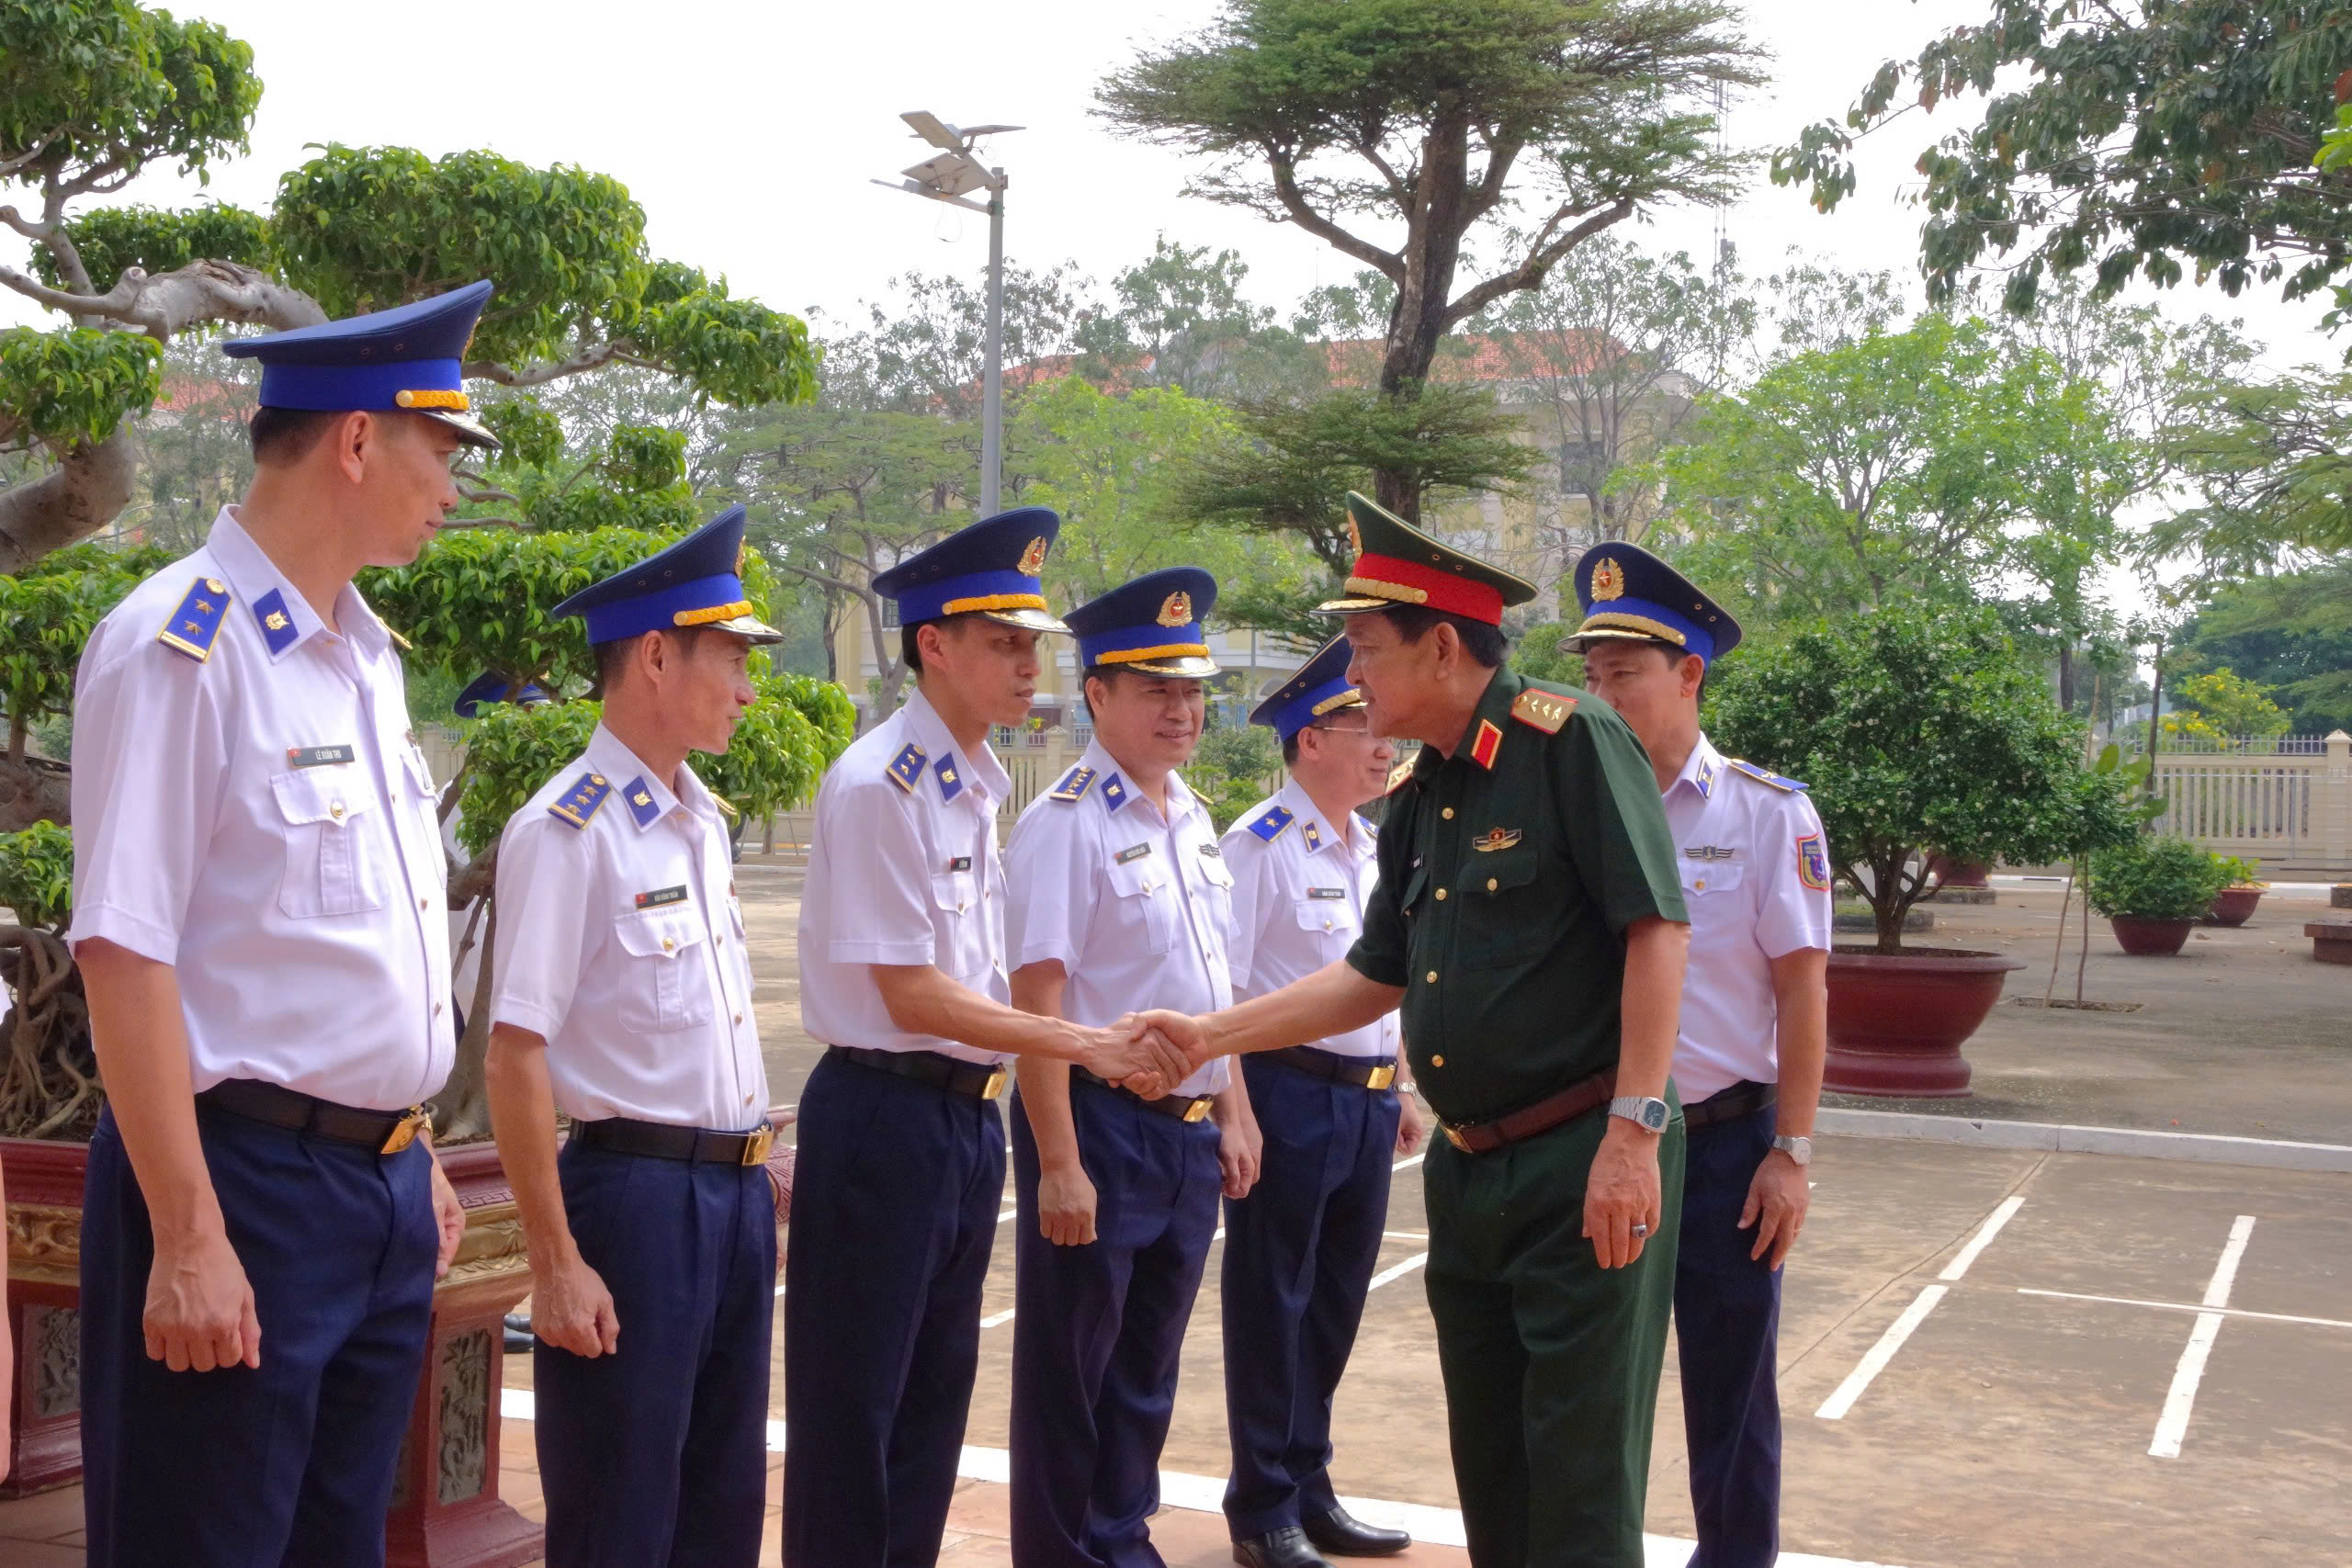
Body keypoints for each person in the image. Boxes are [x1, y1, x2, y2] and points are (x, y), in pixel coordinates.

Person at [1136, 492, 1693, 1568]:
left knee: (1577, 1482)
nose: (1352, 679)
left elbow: (1657, 931)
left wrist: (1633, 1132)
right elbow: (1369, 975)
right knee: (1493, 1469)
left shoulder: (1571, 743)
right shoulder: (1425, 791)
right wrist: (1210, 1031)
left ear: (1443, 647)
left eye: (1366, 652)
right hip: (1469, 1166)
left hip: (1581, 1159)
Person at [65, 282, 493, 1566]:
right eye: (443, 447)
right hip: (235, 1182)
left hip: (372, 1192)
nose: (456, 484)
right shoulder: (177, 647)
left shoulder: (365, 658)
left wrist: (404, 1140)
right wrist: (188, 1229)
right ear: (358, 440)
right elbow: (122, 947)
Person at [784, 510, 1191, 1568]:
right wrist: (1077, 1042)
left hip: (960, 1122)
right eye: (1005, 644)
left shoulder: (971, 783)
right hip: (882, 1113)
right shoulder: (883, 785)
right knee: (855, 1407)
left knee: (931, 1400)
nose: (1028, 666)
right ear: (934, 644)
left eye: (1033, 645)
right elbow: (913, 993)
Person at [481, 504, 785, 1567]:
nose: (750, 691)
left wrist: (752, 1137)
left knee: (718, 1501)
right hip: (635, 1205)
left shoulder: (700, 822)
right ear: (655, 655)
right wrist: (554, 1261)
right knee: (621, 1509)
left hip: (735, 1199)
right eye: (732, 660)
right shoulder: (567, 831)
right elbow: (515, 1052)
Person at [1566, 542, 1830, 1568]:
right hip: (1601, 1143)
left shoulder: (1766, 814)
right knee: (1593, 1387)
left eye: (1624, 673)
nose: (1603, 694)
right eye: (1591, 677)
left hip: (1724, 1145)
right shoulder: (1575, 808)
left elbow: (1802, 991)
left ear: (1689, 673)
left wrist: (1792, 1152)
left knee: (1730, 1390)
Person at [1002, 568, 1258, 1568]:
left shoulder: (1192, 816)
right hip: (1098, 1124)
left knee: (1147, 1365)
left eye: (1192, 690)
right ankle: (1064, 1553)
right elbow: (1038, 1008)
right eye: (1156, 690)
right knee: (1074, 1367)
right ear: (1097, 693)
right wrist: (1058, 1162)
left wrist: (1234, 1110)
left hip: (1187, 1133)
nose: (1181, 711)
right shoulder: (1064, 823)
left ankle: (1120, 1537)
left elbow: (1216, 982)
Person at [1218, 636, 1423, 1568]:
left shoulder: (1375, 848)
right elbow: (1217, 991)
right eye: (1360, 726)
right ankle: (1262, 1506)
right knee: (1274, 1302)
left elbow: (1386, 982)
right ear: (1309, 742)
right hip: (1285, 1094)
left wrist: (1403, 1082)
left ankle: (1309, 1482)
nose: (1382, 742)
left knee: (1334, 1302)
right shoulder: (1257, 844)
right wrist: (1235, 1109)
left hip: (1368, 1104)